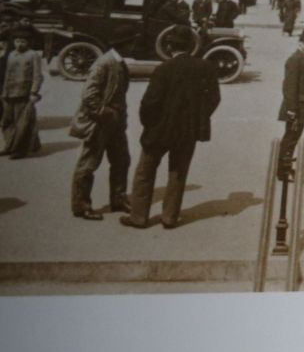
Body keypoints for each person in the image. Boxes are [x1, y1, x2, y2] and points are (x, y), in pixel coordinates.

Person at [122, 50, 219, 230]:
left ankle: (138, 217)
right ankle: (169, 217)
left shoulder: (164, 69)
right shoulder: (205, 67)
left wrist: (150, 124)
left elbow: (149, 102)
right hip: (188, 131)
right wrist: (198, 118)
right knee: (178, 174)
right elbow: (214, 98)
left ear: (169, 46)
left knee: (145, 171)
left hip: (160, 130)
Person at [69, 44, 131, 219]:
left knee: (122, 161)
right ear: (125, 42)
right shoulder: (103, 63)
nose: (136, 46)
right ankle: (81, 206)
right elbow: (89, 95)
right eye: (133, 43)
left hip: (116, 124)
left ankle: (118, 199)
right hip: (100, 124)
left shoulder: (119, 62)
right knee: (88, 165)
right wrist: (105, 112)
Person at [278, 27, 304, 181]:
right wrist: (292, 109)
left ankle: (285, 167)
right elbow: (289, 87)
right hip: (296, 107)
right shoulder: (296, 59)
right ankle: (283, 170)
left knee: (293, 138)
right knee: (290, 138)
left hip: (302, 106)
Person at [1, 29, 45, 158]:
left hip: (24, 93)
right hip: (8, 93)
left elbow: (38, 76)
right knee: (7, 122)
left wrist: (33, 92)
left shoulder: (33, 55)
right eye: (17, 41)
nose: (19, 44)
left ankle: (20, 150)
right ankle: (9, 146)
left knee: (22, 123)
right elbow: (6, 75)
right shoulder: (11, 55)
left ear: (28, 43)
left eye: (23, 41)